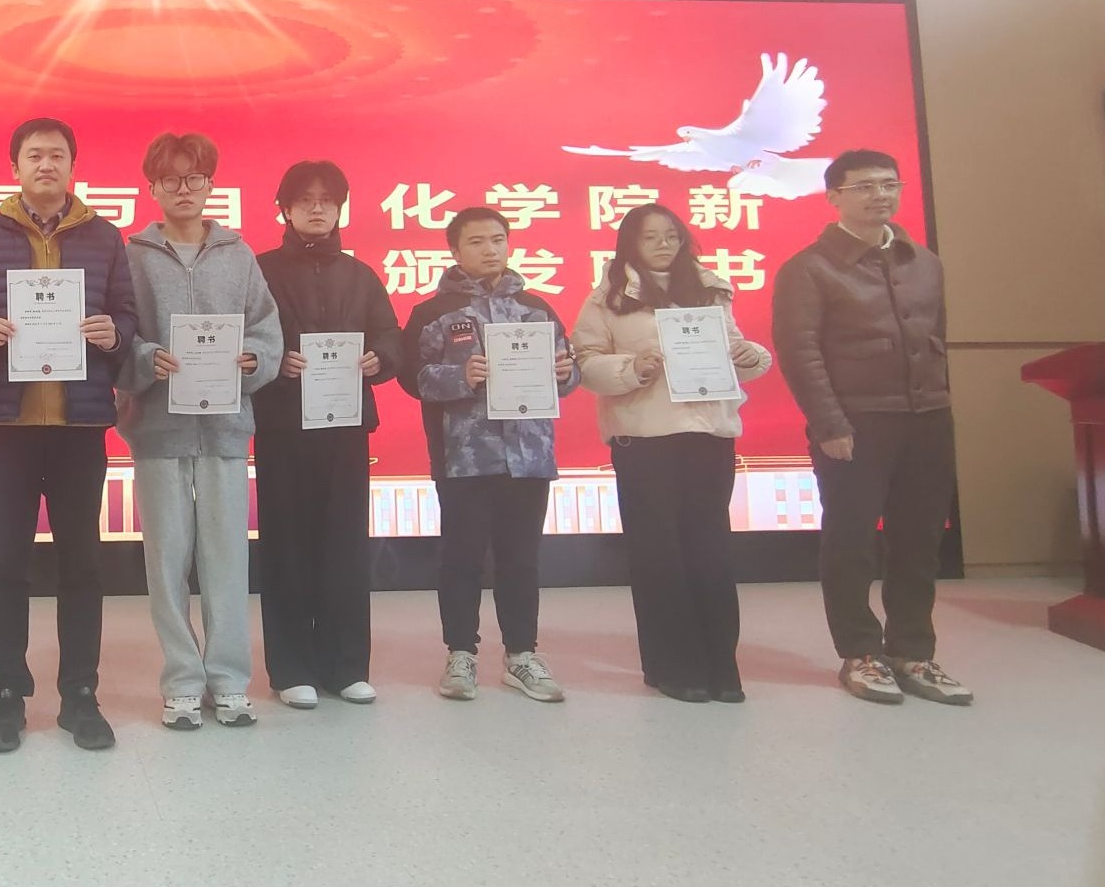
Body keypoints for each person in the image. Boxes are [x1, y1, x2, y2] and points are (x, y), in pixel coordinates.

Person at [0, 117, 137, 753]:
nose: (45, 165)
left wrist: (114, 334)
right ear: (15, 167)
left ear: (72, 165)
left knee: (81, 562)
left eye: (57, 155)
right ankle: (7, 693)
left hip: (78, 423)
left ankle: (80, 693)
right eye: (34, 155)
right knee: (5, 562)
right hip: (7, 424)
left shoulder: (104, 237)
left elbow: (127, 314)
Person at [773, 149, 972, 706]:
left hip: (927, 418)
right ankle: (859, 652)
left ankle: (913, 652)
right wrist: (829, 423)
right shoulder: (809, 268)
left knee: (919, 541)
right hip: (855, 422)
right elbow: (800, 353)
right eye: (864, 186)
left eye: (889, 184)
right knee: (852, 540)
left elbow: (935, 338)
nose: (879, 195)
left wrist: (940, 403)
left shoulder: (924, 261)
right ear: (834, 197)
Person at [573, 204, 772, 704]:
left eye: (671, 236)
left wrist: (752, 356)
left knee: (711, 549)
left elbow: (736, 352)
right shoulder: (608, 297)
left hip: (709, 434)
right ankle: (673, 666)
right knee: (658, 553)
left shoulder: (710, 289)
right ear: (630, 245)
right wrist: (632, 368)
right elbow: (585, 363)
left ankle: (721, 666)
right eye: (650, 237)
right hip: (644, 438)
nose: (663, 244)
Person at [117, 132, 282, 730]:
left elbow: (266, 328)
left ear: (211, 184)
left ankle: (229, 680)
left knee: (226, 559)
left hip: (225, 430)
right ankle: (183, 681)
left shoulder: (239, 255)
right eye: (171, 179)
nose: (183, 189)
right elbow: (117, 332)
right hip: (157, 429)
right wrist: (144, 359)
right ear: (153, 187)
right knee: (166, 562)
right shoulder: (131, 256)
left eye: (194, 178)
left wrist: (255, 359)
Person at [398, 207, 578, 703]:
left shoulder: (537, 309)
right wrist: (460, 377)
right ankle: (461, 653)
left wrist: (567, 373)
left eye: (497, 239)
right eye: (476, 241)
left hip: (528, 455)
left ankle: (522, 655)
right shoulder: (433, 313)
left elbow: (568, 371)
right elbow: (411, 377)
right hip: (464, 457)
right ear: (455, 251)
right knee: (462, 557)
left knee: (521, 559)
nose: (490, 249)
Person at [252, 161, 400, 711]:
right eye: (305, 199)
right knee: (286, 546)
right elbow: (246, 338)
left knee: (345, 545)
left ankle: (346, 666)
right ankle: (291, 668)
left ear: (340, 209)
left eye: (327, 200)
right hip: (283, 425)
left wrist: (379, 358)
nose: (317, 208)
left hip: (345, 427)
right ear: (285, 209)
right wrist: (275, 362)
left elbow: (391, 336)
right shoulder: (260, 270)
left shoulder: (360, 275)